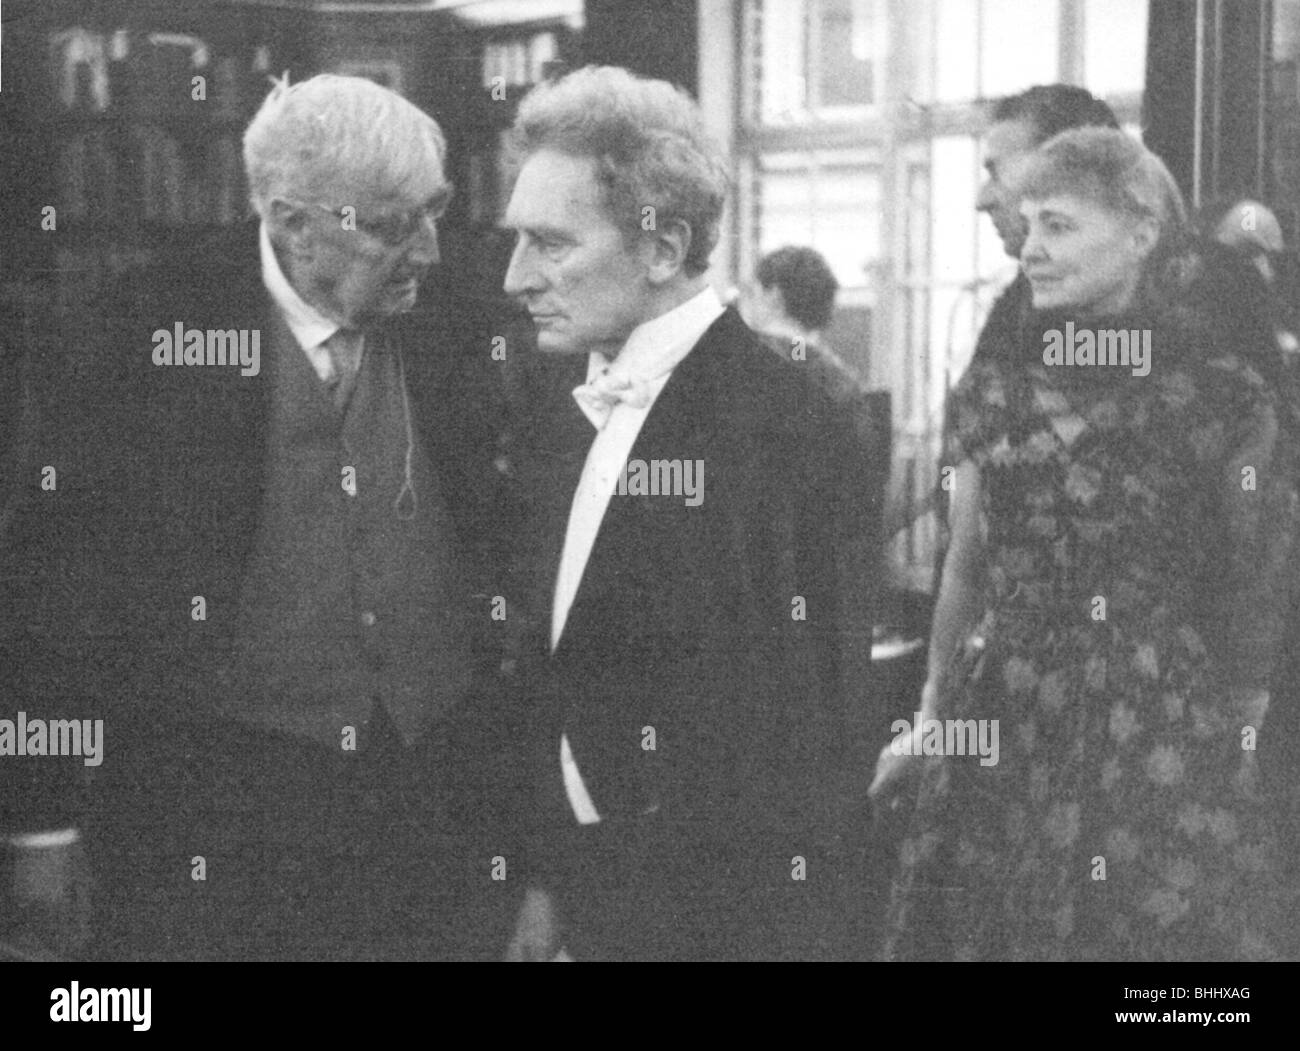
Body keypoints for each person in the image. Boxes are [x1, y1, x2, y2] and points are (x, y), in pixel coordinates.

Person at [0, 74, 519, 961]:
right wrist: (40, 821)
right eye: (395, 224)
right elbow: (52, 585)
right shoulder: (142, 329)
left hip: (430, 802)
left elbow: (514, 561)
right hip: (213, 805)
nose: (430, 249)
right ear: (291, 220)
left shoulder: (464, 319)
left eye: (435, 212)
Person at [872, 128, 1298, 960]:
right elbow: (966, 567)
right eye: (1026, 225)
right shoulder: (993, 388)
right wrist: (931, 716)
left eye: (1058, 226)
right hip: (1000, 707)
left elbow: (1252, 583)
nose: (1029, 248)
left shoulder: (1219, 398)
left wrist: (1239, 729)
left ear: (1140, 232)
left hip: (1155, 723)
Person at [498, 65, 852, 961]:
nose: (514, 277)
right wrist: (547, 879)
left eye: (550, 243)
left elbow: (803, 718)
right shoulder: (553, 394)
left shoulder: (783, 415)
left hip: (716, 909)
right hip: (584, 889)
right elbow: (554, 660)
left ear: (662, 249)